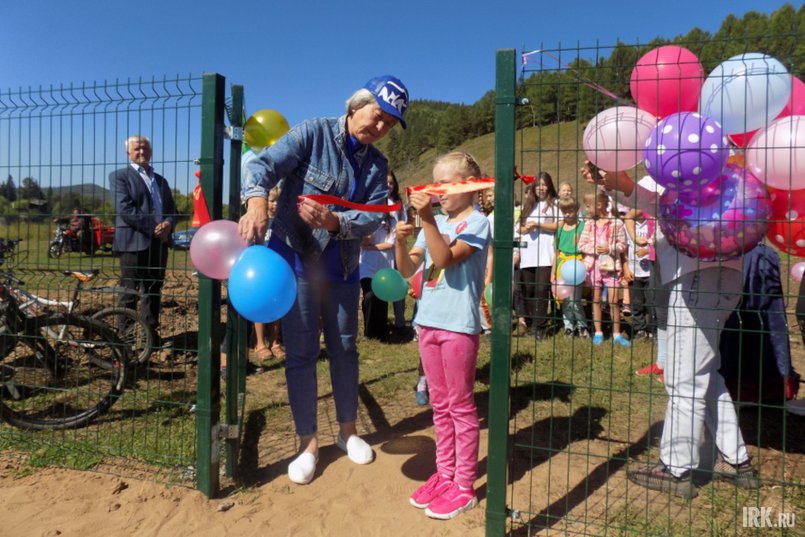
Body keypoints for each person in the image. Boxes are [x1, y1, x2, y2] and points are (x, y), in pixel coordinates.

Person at [238, 75, 409, 485]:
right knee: (299, 353)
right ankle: (307, 443)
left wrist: (336, 222)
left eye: (390, 123)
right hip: (294, 262)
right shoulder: (312, 133)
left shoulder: (378, 164)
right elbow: (262, 166)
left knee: (345, 349)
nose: (381, 127)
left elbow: (372, 215)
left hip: (343, 269)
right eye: (378, 116)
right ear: (356, 106)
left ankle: (348, 431)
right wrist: (257, 199)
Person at [587, 163, 759, 498]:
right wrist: (612, 182)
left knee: (683, 376)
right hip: (721, 276)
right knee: (705, 372)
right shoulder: (722, 170)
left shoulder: (687, 167)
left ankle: (676, 468)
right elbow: (647, 198)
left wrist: (616, 181)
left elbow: (651, 200)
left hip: (697, 278)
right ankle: (736, 461)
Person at [395, 151, 490, 520]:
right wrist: (402, 241)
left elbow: (446, 259)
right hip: (429, 323)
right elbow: (409, 269)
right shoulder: (434, 223)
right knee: (439, 405)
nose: (439, 192)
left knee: (461, 406)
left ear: (470, 186)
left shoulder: (477, 223)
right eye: (435, 185)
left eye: (446, 184)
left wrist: (427, 220)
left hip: (458, 328)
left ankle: (464, 485)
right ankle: (445, 474)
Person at [110, 135, 177, 346]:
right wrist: (155, 228)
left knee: (153, 292)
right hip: (133, 242)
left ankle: (150, 338)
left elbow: (172, 210)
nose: (142, 152)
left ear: (151, 151)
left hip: (158, 244)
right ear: (128, 153)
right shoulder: (119, 176)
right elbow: (125, 210)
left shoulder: (161, 180)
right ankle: (125, 341)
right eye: (137, 149)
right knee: (128, 293)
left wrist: (168, 224)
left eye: (145, 148)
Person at [577, 190, 630, 347]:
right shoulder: (589, 224)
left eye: (588, 206)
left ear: (599, 205)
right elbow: (581, 244)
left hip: (612, 268)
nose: (586, 209)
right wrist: (595, 249)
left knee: (613, 300)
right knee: (596, 299)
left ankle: (616, 334)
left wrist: (610, 248)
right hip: (594, 268)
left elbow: (623, 245)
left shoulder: (617, 223)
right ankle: (598, 332)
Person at [516, 172, 559, 339]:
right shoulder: (528, 205)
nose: (541, 188)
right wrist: (526, 229)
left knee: (541, 290)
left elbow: (559, 225)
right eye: (538, 185)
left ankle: (540, 328)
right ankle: (533, 325)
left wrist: (539, 224)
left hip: (546, 254)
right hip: (528, 255)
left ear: (549, 186)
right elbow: (519, 227)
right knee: (529, 290)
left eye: (544, 184)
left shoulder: (555, 204)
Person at [253, 186, 285, 361]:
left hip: (278, 271)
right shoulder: (260, 221)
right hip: (261, 271)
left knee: (277, 309)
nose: (275, 204)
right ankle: (260, 343)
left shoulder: (282, 223)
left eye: (278, 200)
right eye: (272, 200)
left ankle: (275, 342)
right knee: (260, 307)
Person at [551, 196, 588, 337]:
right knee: (565, 300)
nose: (567, 213)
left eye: (570, 210)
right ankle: (568, 327)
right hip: (562, 265)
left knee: (575, 300)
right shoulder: (560, 229)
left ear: (576, 210)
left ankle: (582, 326)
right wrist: (553, 271)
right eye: (564, 211)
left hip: (576, 266)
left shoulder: (582, 227)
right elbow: (557, 252)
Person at [359, 211, 395, 341]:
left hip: (384, 264)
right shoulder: (366, 220)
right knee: (369, 296)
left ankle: (381, 331)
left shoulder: (392, 221)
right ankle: (368, 332)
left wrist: (371, 247)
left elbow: (390, 244)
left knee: (381, 297)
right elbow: (363, 242)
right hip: (366, 265)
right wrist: (372, 227)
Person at [623, 208, 657, 340]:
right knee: (636, 303)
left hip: (650, 270)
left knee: (651, 302)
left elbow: (657, 243)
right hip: (633, 271)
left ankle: (653, 330)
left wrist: (647, 251)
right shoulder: (628, 226)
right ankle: (639, 329)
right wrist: (626, 267)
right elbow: (624, 250)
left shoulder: (652, 223)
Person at [387, 171, 408, 335]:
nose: (388, 186)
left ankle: (400, 322)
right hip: (379, 252)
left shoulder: (398, 203)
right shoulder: (373, 201)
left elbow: (404, 224)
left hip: (396, 250)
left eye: (391, 183)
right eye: (386, 183)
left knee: (398, 286)